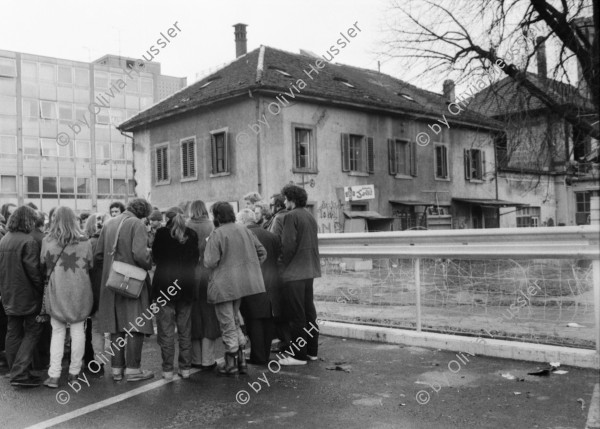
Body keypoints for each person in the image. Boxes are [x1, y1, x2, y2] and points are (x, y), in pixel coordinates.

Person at [95, 198, 154, 382]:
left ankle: (116, 369)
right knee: (136, 325)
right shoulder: (137, 223)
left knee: (116, 327)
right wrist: (150, 258)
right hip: (132, 281)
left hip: (111, 281)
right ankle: (133, 370)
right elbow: (140, 254)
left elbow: (98, 255)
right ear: (143, 212)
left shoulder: (108, 223)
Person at [204, 202, 266, 376]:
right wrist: (248, 269)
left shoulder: (217, 234)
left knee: (227, 324)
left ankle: (231, 364)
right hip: (241, 284)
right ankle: (242, 361)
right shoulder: (245, 230)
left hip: (223, 285)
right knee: (234, 321)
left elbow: (210, 262)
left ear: (216, 216)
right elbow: (262, 252)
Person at [41, 207, 93, 388]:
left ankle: (54, 375)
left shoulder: (47, 241)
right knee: (79, 332)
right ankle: (74, 373)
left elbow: (43, 263)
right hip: (81, 290)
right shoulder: (85, 242)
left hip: (57, 291)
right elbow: (91, 263)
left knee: (57, 332)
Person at [152, 207, 199, 380]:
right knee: (185, 329)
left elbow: (156, 258)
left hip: (164, 286)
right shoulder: (192, 234)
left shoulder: (161, 234)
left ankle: (167, 370)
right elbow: (195, 260)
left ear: (167, 218)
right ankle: (185, 368)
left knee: (166, 330)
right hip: (186, 285)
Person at [0, 205, 44, 387]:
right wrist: (43, 290)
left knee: (13, 332)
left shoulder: (4, 240)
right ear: (28, 220)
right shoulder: (29, 241)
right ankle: (19, 373)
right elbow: (34, 272)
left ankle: (16, 371)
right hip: (27, 295)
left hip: (9, 293)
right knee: (34, 330)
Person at [278, 185, 321, 366]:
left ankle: (298, 355)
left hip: (295, 272)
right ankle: (311, 351)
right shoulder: (309, 216)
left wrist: (282, 267)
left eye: (286, 199)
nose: (285, 202)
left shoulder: (290, 216)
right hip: (309, 269)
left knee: (297, 315)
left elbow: (287, 246)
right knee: (309, 312)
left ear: (292, 200)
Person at [237, 209, 280, 365]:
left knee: (254, 319)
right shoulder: (272, 236)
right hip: (272, 283)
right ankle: (265, 354)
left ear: (242, 221)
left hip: (252, 283)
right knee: (268, 319)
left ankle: (258, 356)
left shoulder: (243, 236)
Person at [185, 200, 220, 371]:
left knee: (193, 316)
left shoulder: (186, 225)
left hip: (190, 276)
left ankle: (196, 358)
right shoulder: (212, 226)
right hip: (209, 274)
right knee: (209, 316)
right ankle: (208, 359)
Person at [83, 214, 106, 375]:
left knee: (89, 328)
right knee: (100, 329)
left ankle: (91, 362)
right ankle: (99, 362)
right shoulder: (109, 243)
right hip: (106, 289)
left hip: (89, 289)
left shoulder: (87, 244)